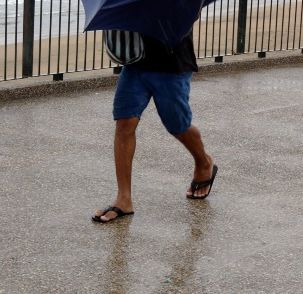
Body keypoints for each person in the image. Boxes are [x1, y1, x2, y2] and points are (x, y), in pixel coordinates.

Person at [92, 30, 218, 223]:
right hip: (135, 61)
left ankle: (204, 162)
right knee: (125, 122)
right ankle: (124, 199)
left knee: (178, 126)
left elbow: (191, 13)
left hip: (172, 63)